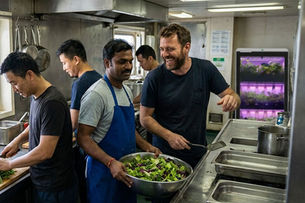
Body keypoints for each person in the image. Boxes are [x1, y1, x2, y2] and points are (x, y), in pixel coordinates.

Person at [140, 23, 240, 169]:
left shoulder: (205, 70)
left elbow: (233, 95)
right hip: (164, 154)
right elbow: (145, 118)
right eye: (162, 49)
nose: (164, 54)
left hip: (197, 151)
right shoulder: (154, 78)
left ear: (186, 47)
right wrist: (169, 136)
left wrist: (233, 99)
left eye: (170, 49)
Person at [77, 39, 161, 203]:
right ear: (107, 63)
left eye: (130, 61)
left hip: (127, 173)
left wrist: (146, 146)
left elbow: (129, 127)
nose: (129, 66)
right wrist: (110, 162)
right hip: (105, 175)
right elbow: (83, 137)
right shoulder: (96, 94)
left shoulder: (126, 91)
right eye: (122, 62)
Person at [0, 52, 77, 203]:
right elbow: (37, 125)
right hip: (44, 182)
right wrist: (17, 140)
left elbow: (44, 152)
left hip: (56, 188)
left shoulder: (51, 102)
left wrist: (9, 164)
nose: (14, 89)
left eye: (14, 83)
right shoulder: (37, 97)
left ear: (29, 75)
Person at [56, 39, 102, 203]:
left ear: (76, 59)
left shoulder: (80, 83)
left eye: (64, 63)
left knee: (86, 193)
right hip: (101, 146)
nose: (64, 68)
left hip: (88, 150)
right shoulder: (99, 77)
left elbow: (73, 123)